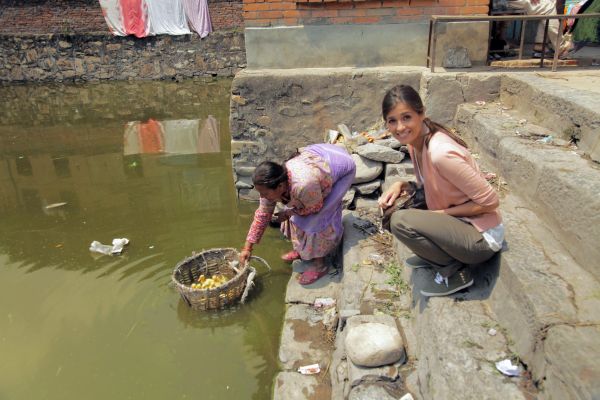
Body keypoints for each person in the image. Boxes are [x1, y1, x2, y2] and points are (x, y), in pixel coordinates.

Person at [378, 85, 504, 297]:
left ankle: (455, 272)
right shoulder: (415, 142)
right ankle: (435, 253)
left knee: (400, 221)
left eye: (406, 117)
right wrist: (400, 184)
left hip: (481, 237)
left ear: (421, 113)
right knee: (392, 209)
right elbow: (433, 185)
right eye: (392, 121)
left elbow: (491, 201)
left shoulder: (440, 153)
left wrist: (439, 216)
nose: (400, 127)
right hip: (459, 224)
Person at [239, 144, 356, 285]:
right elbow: (262, 215)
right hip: (319, 159)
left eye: (265, 193)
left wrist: (289, 213)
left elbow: (315, 208)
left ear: (280, 186)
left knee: (316, 219)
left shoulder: (304, 185)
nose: (262, 196)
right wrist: (247, 248)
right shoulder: (274, 185)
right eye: (260, 193)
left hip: (342, 168)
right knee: (297, 213)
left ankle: (320, 265)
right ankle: (303, 250)